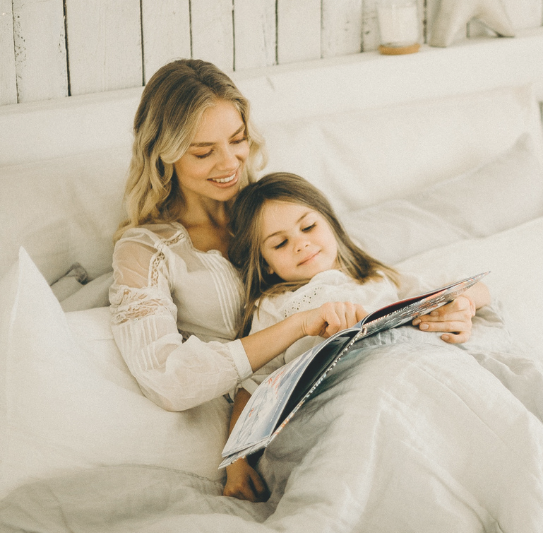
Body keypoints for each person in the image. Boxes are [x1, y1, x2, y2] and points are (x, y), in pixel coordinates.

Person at [108, 59, 486, 502]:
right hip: (290, 408)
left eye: (237, 139)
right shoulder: (146, 252)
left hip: (368, 369)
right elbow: (169, 381)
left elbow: (366, 277)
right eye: (203, 151)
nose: (229, 163)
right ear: (162, 151)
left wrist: (461, 305)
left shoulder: (279, 208)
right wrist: (299, 325)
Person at [223, 172, 492, 502]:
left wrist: (462, 305)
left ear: (331, 225)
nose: (301, 243)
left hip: (412, 372)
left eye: (308, 228)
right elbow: (252, 389)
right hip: (345, 401)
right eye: (280, 243)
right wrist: (236, 465)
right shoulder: (275, 306)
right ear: (264, 264)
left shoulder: (375, 278)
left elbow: (475, 288)